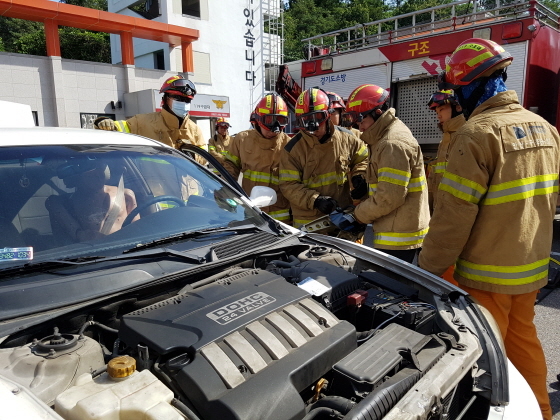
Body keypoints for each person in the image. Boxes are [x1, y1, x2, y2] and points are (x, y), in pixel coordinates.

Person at [417, 38, 559, 420]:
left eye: (459, 88)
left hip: (485, 275)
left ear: (473, 83)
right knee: (523, 340)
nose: (457, 97)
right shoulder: (546, 129)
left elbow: (452, 220)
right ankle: (542, 412)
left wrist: (425, 271)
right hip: (529, 270)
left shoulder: (476, 134)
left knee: (482, 355)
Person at [344, 84, 430, 263]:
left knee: (390, 288)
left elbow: (388, 198)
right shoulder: (383, 137)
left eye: (361, 120)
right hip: (398, 229)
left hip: (399, 238)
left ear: (377, 113)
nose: (359, 127)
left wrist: (356, 215)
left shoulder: (392, 144)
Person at [279, 87, 368, 230]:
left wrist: (360, 175)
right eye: (306, 121)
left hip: (342, 217)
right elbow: (288, 185)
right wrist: (315, 200)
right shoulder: (292, 150)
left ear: (328, 114)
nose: (313, 127)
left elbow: (363, 159)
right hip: (309, 223)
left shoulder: (347, 138)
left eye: (318, 118)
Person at [94, 75, 206, 164]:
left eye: (187, 100)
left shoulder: (194, 129)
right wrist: (104, 122)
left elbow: (205, 156)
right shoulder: (142, 122)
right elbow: (116, 127)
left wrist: (193, 156)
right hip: (154, 190)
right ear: (165, 99)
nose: (183, 103)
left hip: (190, 190)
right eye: (178, 98)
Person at [222, 93, 292, 224]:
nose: (275, 128)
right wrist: (224, 190)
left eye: (280, 121)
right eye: (269, 121)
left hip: (281, 216)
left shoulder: (289, 145)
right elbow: (230, 168)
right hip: (252, 212)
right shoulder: (242, 140)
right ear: (257, 119)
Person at [45, 157, 139, 243]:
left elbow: (137, 231)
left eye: (100, 167)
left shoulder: (125, 195)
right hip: (88, 256)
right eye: (90, 170)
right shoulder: (61, 203)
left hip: (123, 253)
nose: (98, 174)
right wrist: (80, 234)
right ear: (76, 176)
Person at [426, 90, 465, 212]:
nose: (438, 115)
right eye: (437, 112)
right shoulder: (445, 139)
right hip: (441, 209)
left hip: (456, 210)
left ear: (457, 107)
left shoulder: (465, 136)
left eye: (441, 109)